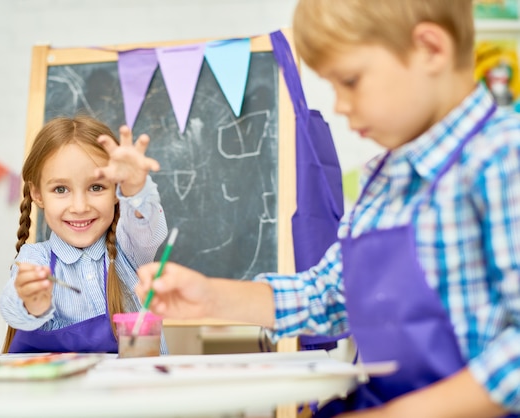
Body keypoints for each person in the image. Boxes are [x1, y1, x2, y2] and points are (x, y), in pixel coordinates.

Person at [136, 1, 520, 416]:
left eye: (350, 81)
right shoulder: (385, 180)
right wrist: (212, 296)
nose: (338, 105)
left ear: (430, 48)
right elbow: (328, 297)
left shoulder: (502, 158)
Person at [0, 115, 168, 355]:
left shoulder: (129, 248)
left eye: (96, 187)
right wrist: (31, 303)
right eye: (61, 189)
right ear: (37, 194)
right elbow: (11, 309)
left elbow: (149, 227)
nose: (79, 207)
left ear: (116, 190)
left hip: (137, 390)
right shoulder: (34, 258)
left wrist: (135, 189)